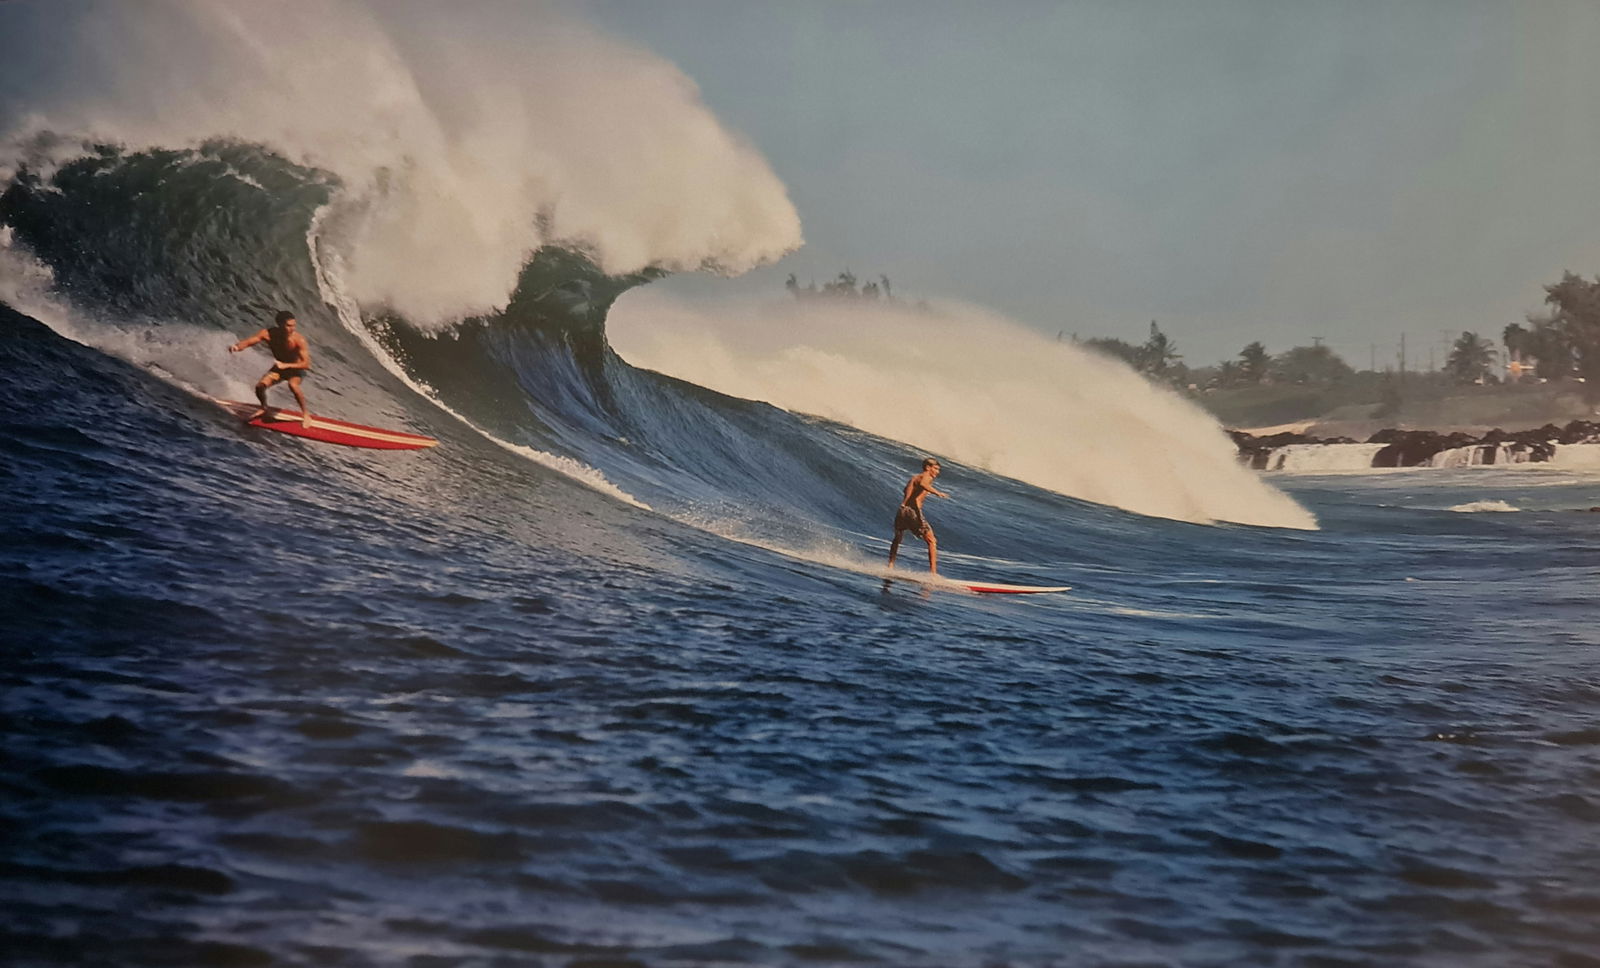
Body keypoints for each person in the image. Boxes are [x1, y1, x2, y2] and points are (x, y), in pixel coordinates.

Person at [230, 310, 312, 428]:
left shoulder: (299, 340)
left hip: (296, 369)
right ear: (280, 324)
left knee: (293, 385)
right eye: (289, 326)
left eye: (294, 325)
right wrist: (237, 347)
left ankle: (306, 414)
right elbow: (249, 341)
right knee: (260, 387)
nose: (292, 328)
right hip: (280, 368)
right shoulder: (268, 334)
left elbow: (306, 364)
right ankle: (264, 408)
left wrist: (286, 365)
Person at [888, 457, 950, 574]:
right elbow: (923, 484)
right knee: (932, 541)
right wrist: (938, 493)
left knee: (897, 539)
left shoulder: (913, 478)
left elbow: (906, 491)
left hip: (902, 511)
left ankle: (890, 566)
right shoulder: (926, 476)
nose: (937, 472)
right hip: (913, 512)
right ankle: (933, 574)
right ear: (928, 468)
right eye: (935, 469)